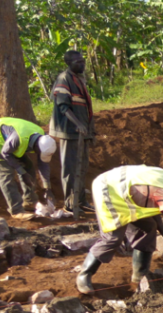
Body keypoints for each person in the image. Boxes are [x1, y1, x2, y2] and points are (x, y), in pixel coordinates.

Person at [76, 166, 163, 295]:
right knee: (113, 237)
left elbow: (154, 212)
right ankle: (84, 275)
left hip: (126, 193)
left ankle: (140, 278)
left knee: (148, 227)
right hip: (108, 188)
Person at [0, 117, 57, 221]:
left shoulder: (43, 139)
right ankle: (16, 211)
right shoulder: (18, 138)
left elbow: (43, 164)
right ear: (36, 147)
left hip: (8, 140)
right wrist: (21, 172)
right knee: (6, 174)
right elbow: (5, 153)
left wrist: (47, 188)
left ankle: (29, 201)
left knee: (28, 167)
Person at [50, 50, 94, 218]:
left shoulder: (79, 79)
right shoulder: (64, 79)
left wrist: (89, 131)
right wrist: (78, 124)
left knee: (82, 168)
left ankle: (80, 201)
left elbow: (85, 107)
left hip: (82, 133)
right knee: (70, 169)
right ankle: (70, 204)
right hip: (70, 131)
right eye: (78, 62)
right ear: (69, 63)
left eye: (83, 61)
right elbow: (63, 106)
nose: (82, 64)